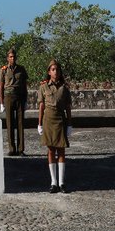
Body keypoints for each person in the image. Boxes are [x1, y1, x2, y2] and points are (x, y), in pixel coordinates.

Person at [37, 58, 72, 193]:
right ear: (49, 72)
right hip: (48, 120)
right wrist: (39, 123)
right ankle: (53, 182)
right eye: (53, 69)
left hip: (60, 119)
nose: (55, 71)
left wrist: (69, 124)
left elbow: (68, 108)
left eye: (57, 69)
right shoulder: (43, 87)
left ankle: (62, 183)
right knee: (51, 150)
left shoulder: (64, 88)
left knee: (61, 150)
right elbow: (41, 106)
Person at [0, 48, 28, 156]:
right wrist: (1, 102)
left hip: (19, 96)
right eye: (10, 57)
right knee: (9, 124)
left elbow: (24, 86)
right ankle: (11, 148)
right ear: (7, 58)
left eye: (14, 56)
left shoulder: (21, 69)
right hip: (8, 97)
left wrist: (26, 100)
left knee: (20, 123)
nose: (12, 58)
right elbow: (0, 87)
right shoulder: (3, 70)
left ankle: (20, 149)